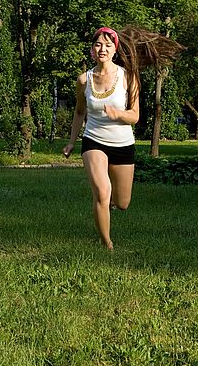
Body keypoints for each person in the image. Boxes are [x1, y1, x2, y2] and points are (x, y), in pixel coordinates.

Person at [63, 25, 184, 250]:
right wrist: (72, 141)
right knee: (101, 191)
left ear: (115, 50)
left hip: (122, 144)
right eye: (98, 44)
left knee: (122, 202)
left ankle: (109, 204)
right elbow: (80, 112)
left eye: (108, 45)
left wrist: (117, 113)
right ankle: (106, 243)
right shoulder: (84, 80)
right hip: (93, 140)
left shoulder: (128, 77)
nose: (102, 49)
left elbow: (135, 116)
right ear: (91, 50)